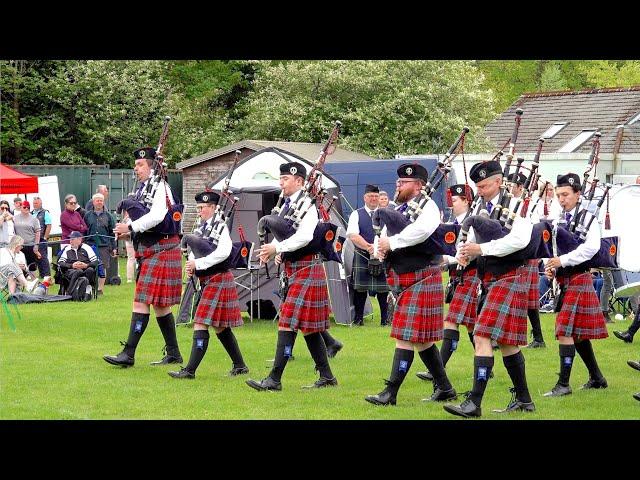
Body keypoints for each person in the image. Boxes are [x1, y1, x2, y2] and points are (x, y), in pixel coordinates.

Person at [443, 160, 535, 418]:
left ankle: (474, 402)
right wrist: (464, 254)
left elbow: (519, 240)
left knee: (482, 335)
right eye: (478, 186)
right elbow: (472, 238)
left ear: (498, 181)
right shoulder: (482, 206)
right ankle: (525, 400)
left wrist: (481, 250)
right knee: (507, 343)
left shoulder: (517, 205)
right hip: (490, 278)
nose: (480, 190)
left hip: (510, 276)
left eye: (484, 185)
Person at [364, 163, 456, 406]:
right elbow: (382, 235)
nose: (398, 185)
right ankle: (445, 388)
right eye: (398, 182)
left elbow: (421, 232)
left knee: (405, 337)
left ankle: (390, 393)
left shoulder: (429, 208)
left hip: (423, 275)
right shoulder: (399, 208)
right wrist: (378, 250)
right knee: (422, 340)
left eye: (404, 182)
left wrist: (391, 244)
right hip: (406, 277)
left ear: (418, 186)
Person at [246, 161, 338, 392]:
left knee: (287, 322)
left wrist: (278, 248)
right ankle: (327, 377)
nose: (281, 183)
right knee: (309, 327)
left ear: (299, 181)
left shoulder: (307, 204)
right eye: (281, 179)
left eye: (285, 179)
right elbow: (287, 232)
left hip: (307, 268)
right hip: (297, 268)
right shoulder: (288, 205)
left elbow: (306, 236)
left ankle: (274, 379)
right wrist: (277, 250)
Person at [103, 147, 183, 368]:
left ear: (152, 167)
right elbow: (143, 218)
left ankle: (128, 353)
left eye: (140, 165)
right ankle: (174, 353)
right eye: (136, 165)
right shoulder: (144, 189)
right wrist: (128, 231)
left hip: (163, 249)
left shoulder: (161, 187)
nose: (136, 169)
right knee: (159, 305)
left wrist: (129, 226)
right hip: (153, 250)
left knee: (141, 301)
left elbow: (158, 216)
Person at [169, 190, 249, 379]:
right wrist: (191, 265)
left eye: (203, 207)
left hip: (218, 279)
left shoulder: (220, 226)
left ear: (213, 207)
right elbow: (195, 249)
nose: (199, 211)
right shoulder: (201, 226)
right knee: (220, 326)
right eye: (198, 208)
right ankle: (240, 366)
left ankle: (189, 370)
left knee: (200, 322)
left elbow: (224, 252)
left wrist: (200, 264)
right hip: (209, 280)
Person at [542, 173, 609, 398]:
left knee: (564, 330)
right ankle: (597, 378)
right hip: (564, 280)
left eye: (566, 195)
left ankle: (563, 384)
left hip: (579, 278)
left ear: (577, 195)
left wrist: (563, 260)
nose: (561, 199)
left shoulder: (588, 218)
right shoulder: (557, 220)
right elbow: (550, 248)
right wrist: (550, 265)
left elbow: (591, 248)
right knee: (577, 334)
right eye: (558, 195)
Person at [416, 184, 478, 383]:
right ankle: (485, 362)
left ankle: (438, 367)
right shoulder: (453, 222)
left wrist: (445, 260)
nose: (452, 204)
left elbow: (468, 251)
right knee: (470, 325)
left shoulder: (472, 222)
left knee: (451, 321)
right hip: (456, 277)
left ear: (466, 201)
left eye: (455, 201)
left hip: (470, 274)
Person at [346, 184, 390, 326]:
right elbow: (353, 235)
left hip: (383, 255)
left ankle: (385, 319)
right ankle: (358, 319)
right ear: (365, 198)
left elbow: (391, 234)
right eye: (370, 196)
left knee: (383, 290)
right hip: (363, 255)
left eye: (376, 196)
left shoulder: (386, 214)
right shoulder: (356, 214)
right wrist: (369, 248)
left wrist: (380, 249)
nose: (373, 199)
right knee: (360, 290)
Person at [84, 193, 117, 295]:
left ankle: (100, 289)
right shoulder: (87, 215)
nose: (99, 202)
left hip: (104, 246)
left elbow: (112, 233)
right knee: (89, 266)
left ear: (103, 202)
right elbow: (84, 231)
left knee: (102, 267)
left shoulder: (109, 216)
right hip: (90, 245)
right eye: (97, 200)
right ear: (93, 202)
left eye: (101, 200)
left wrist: (114, 247)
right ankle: (90, 287)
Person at [58, 231, 98, 298]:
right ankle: (69, 293)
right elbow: (60, 263)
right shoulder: (67, 249)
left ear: (79, 239)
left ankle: (86, 290)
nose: (70, 241)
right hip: (71, 270)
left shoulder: (87, 248)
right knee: (78, 271)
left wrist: (86, 265)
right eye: (70, 239)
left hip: (85, 269)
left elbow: (96, 262)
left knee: (90, 270)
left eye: (72, 239)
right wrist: (72, 265)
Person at [12, 200, 42, 277]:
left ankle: (33, 283)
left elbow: (38, 233)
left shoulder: (34, 219)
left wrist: (36, 246)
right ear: (20, 208)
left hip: (30, 245)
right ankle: (22, 284)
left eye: (28, 207)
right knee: (20, 266)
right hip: (19, 246)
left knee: (32, 267)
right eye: (24, 207)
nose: (26, 209)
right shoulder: (15, 218)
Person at [30, 196, 52, 278]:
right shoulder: (31, 213)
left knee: (43, 258)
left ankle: (47, 275)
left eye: (36, 203)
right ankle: (41, 275)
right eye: (34, 203)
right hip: (33, 239)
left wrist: (45, 237)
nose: (35, 205)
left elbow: (49, 226)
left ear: (41, 203)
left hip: (42, 239)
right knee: (36, 257)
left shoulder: (45, 212)